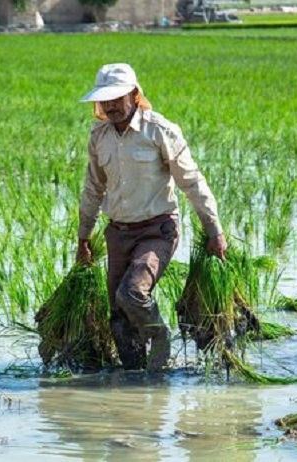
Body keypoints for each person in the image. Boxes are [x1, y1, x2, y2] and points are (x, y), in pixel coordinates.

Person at [76, 63, 227, 371]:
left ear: (134, 94)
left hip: (157, 231)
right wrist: (84, 238)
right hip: (117, 232)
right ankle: (137, 384)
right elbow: (93, 188)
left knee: (131, 293)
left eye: (117, 98)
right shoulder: (99, 137)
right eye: (106, 100)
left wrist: (214, 231)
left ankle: (159, 335)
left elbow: (192, 182)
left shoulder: (160, 131)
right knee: (119, 315)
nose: (111, 106)